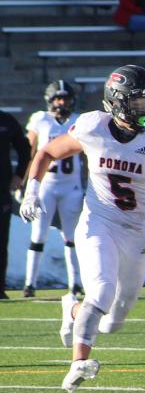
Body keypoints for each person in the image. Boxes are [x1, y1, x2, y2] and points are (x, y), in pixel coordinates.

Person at [17, 65, 145, 392]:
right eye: (139, 103)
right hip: (98, 222)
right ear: (119, 102)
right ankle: (78, 362)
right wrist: (32, 189)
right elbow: (47, 152)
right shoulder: (92, 127)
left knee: (114, 319)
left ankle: (72, 308)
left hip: (135, 232)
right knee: (101, 292)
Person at [22, 80, 84, 298]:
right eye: (58, 98)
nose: (62, 102)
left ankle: (75, 283)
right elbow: (29, 153)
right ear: (50, 99)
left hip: (71, 187)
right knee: (38, 234)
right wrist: (26, 185)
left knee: (72, 236)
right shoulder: (40, 119)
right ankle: (30, 284)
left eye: (65, 98)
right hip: (46, 186)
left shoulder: (78, 121)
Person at [0, 107, 32, 299]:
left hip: (1, 192)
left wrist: (19, 175)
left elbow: (24, 149)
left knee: (1, 241)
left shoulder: (6, 121)